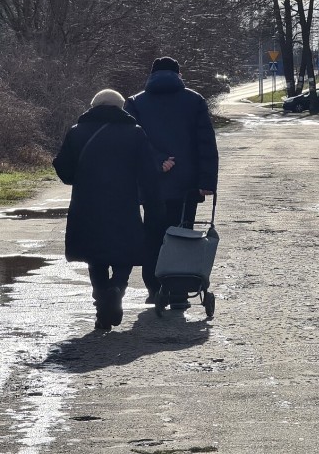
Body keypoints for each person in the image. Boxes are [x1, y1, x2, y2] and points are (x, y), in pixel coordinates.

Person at [53, 89, 162, 331]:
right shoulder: (134, 133)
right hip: (124, 202)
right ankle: (117, 288)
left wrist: (80, 178)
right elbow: (148, 172)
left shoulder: (76, 132)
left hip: (87, 203)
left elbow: (64, 169)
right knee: (124, 251)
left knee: (95, 255)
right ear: (120, 108)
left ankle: (102, 301)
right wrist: (153, 202)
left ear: (94, 106)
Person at [124, 57, 219, 309]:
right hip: (187, 186)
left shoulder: (135, 102)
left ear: (151, 74)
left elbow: (133, 140)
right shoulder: (194, 101)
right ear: (179, 74)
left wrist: (158, 161)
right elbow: (205, 144)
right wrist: (207, 181)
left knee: (153, 234)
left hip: (151, 184)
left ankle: (154, 288)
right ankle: (179, 290)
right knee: (183, 233)